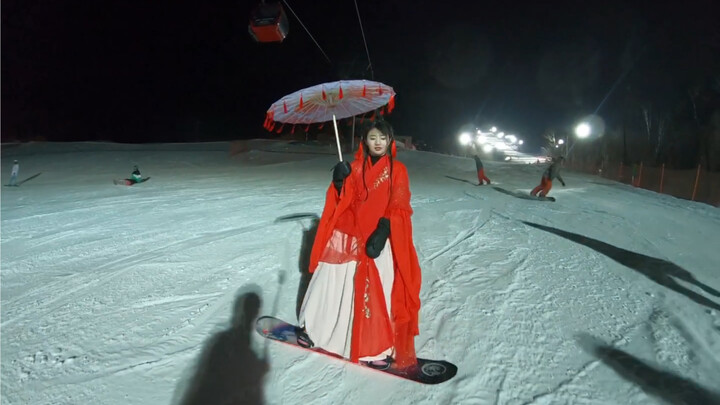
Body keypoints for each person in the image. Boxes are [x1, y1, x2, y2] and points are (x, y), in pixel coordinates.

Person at [298, 120, 422, 371]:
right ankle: (316, 330)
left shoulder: (397, 170)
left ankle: (375, 346)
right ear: (364, 141)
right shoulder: (354, 167)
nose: (377, 143)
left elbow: (399, 202)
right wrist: (339, 182)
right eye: (372, 138)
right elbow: (343, 201)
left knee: (378, 288)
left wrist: (384, 229)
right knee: (332, 280)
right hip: (349, 234)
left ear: (390, 141)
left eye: (382, 138)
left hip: (377, 238)